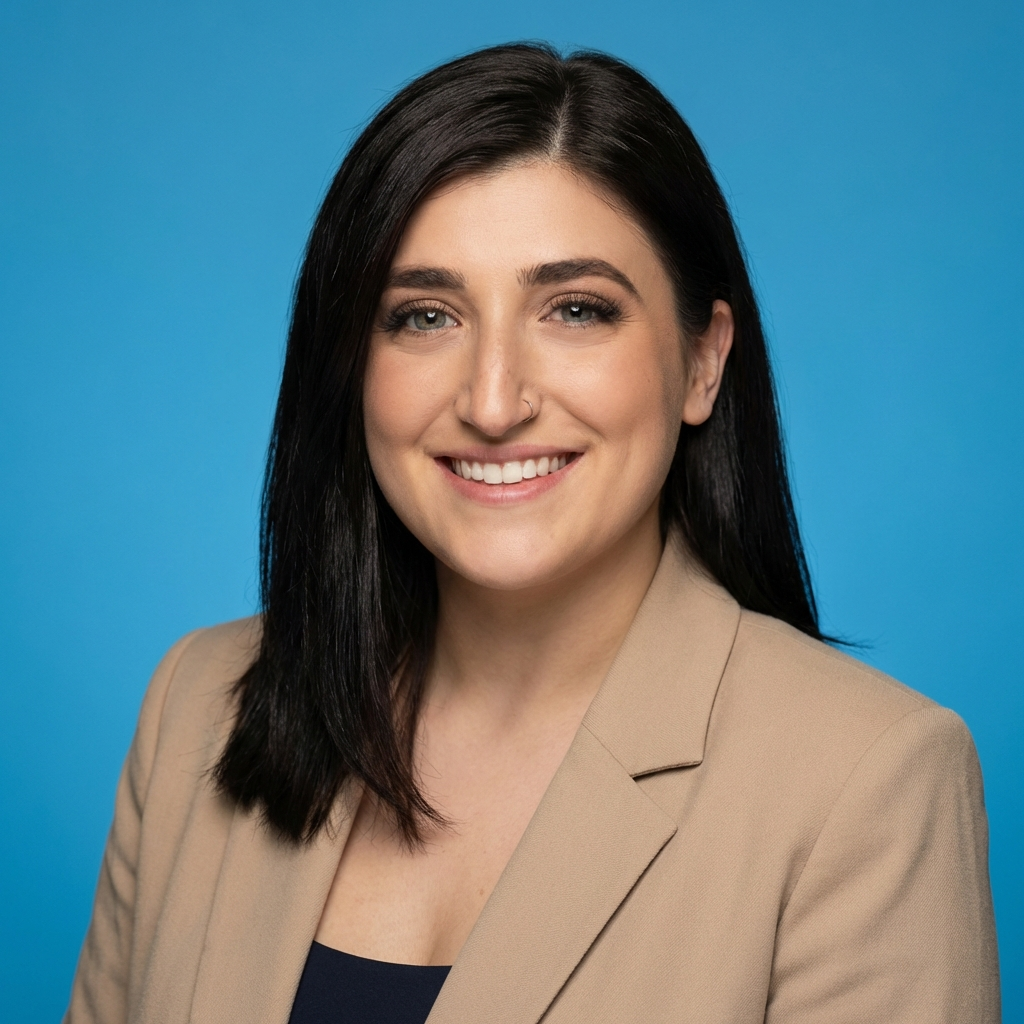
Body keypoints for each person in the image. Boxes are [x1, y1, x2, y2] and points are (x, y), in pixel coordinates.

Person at [65, 43, 999, 1024]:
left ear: (702, 362)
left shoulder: (864, 781)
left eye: (576, 310)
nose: (492, 400)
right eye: (425, 316)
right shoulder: (199, 706)